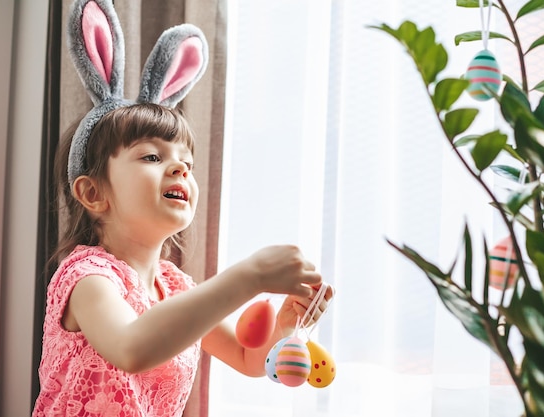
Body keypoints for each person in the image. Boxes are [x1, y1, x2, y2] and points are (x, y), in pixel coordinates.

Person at [32, 1, 333, 415]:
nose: (179, 167)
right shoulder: (86, 279)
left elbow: (247, 359)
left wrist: (284, 328)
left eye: (186, 164)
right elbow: (133, 346)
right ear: (93, 193)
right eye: (152, 158)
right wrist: (250, 276)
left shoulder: (174, 289)